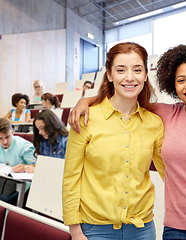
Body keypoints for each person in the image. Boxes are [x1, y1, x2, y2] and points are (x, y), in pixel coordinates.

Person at [69, 43, 186, 240]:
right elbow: (125, 95)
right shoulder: (166, 115)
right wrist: (84, 101)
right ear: (173, 84)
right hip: (177, 228)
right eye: (181, 80)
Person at [62, 42, 165, 240]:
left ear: (145, 75)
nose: (129, 77)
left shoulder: (154, 123)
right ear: (109, 75)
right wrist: (75, 230)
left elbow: (169, 173)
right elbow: (71, 178)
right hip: (94, 229)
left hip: (142, 229)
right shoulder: (85, 118)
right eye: (120, 70)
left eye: (137, 70)